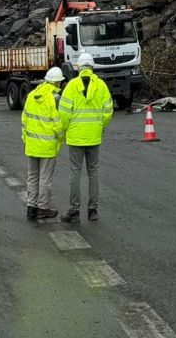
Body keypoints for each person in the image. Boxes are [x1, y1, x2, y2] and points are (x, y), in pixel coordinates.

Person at [58, 53, 113, 223]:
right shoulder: (101, 86)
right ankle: (93, 210)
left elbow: (64, 113)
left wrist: (67, 129)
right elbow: (108, 111)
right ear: (92, 67)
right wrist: (100, 127)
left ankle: (74, 211)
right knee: (93, 172)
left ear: (79, 67)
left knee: (75, 172)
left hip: (75, 137)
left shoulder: (72, 86)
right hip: (94, 137)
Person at [22, 67, 65, 220]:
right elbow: (58, 124)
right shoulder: (55, 98)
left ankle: (31, 207)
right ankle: (42, 208)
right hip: (47, 146)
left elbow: (24, 120)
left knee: (32, 177)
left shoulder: (32, 95)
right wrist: (61, 140)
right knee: (45, 178)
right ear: (56, 83)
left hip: (32, 145)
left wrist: (26, 139)